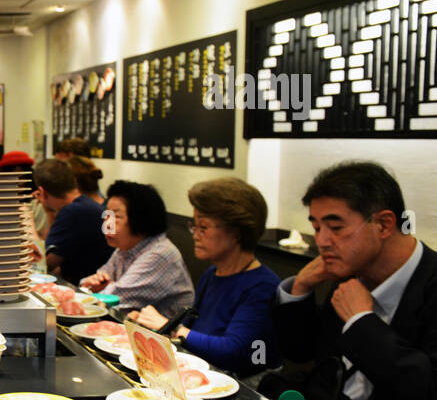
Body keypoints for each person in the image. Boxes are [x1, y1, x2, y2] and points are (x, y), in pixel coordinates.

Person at [267, 161, 437, 400]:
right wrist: (298, 289)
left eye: (336, 227)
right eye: (316, 226)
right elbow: (304, 352)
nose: (322, 241)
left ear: (384, 224)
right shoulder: (351, 273)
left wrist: (362, 324)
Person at [129, 178, 280, 375]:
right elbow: (196, 333)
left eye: (204, 227)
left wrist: (170, 327)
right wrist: (150, 325)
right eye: (195, 226)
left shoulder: (262, 285)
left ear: (236, 233)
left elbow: (234, 351)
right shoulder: (213, 272)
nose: (195, 235)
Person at [81, 180, 194, 317]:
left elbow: (111, 299)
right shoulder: (126, 247)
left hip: (163, 336)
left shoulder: (160, 254)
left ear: (140, 220)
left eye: (116, 217)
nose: (107, 224)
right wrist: (91, 285)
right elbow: (93, 283)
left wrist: (98, 288)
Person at [34, 159, 112, 284]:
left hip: (85, 285)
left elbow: (41, 264)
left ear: (42, 192)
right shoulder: (84, 205)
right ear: (74, 181)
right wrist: (49, 213)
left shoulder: (72, 212)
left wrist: (28, 220)